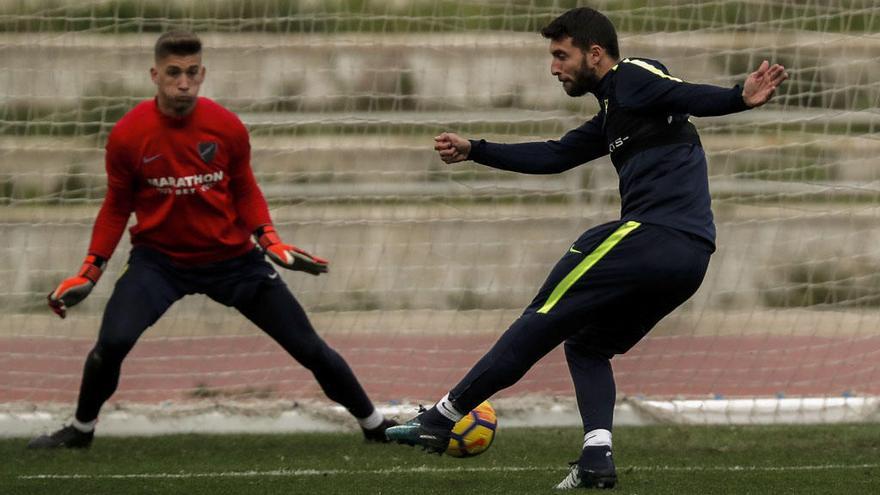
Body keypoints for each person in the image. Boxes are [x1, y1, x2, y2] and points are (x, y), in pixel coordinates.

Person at [386, 7, 787, 490]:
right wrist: (476, 148)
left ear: (594, 54)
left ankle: (443, 416)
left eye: (561, 55)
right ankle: (597, 458)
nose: (554, 67)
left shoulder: (631, 76)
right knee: (587, 345)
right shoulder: (615, 113)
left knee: (542, 317)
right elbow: (555, 155)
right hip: (691, 258)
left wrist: (736, 99)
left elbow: (679, 92)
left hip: (650, 235)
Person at [29, 30, 395, 449]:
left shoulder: (226, 127)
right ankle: (80, 431)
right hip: (159, 263)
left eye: (191, 72)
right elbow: (116, 207)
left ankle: (375, 425)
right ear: (155, 75)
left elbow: (244, 189)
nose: (182, 81)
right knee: (111, 343)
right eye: (173, 73)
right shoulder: (128, 136)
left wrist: (270, 241)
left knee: (308, 347)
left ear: (202, 73)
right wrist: (90, 270)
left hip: (234, 260)